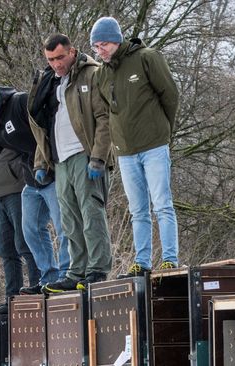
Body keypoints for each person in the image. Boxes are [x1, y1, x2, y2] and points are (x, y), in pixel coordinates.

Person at [90, 16, 180, 276]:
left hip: (153, 145)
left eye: (104, 44)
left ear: (117, 40)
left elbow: (170, 95)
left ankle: (170, 259)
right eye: (96, 46)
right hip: (125, 153)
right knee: (137, 209)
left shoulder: (147, 57)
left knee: (162, 204)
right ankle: (141, 262)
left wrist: (164, 130)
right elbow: (108, 112)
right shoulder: (101, 73)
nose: (100, 50)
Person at [0, 80, 68, 290]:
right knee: (30, 232)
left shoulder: (20, 102)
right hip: (31, 179)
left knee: (63, 225)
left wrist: (50, 163)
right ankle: (48, 277)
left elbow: (48, 129)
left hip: (52, 171)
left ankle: (67, 273)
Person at [29, 33, 114, 293]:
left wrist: (99, 156)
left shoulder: (91, 73)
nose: (56, 63)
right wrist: (41, 162)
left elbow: (104, 118)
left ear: (72, 52)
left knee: (91, 214)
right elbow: (43, 127)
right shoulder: (49, 82)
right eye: (51, 59)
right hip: (60, 159)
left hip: (85, 155)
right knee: (69, 221)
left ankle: (97, 269)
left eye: (60, 57)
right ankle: (76, 271)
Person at [0, 147, 40, 315]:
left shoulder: (11, 121)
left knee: (25, 242)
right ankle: (11, 299)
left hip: (18, 188)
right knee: (6, 249)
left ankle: (38, 289)